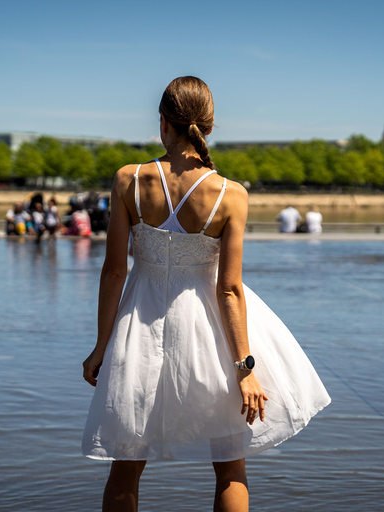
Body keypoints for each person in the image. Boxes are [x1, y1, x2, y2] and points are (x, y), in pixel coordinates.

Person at [81, 76, 330, 512]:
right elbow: (229, 289)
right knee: (230, 466)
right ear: (209, 127)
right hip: (210, 335)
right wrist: (245, 368)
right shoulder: (231, 195)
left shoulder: (128, 180)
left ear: (163, 122)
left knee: (125, 465)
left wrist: (101, 346)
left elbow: (114, 271)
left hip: (137, 328)